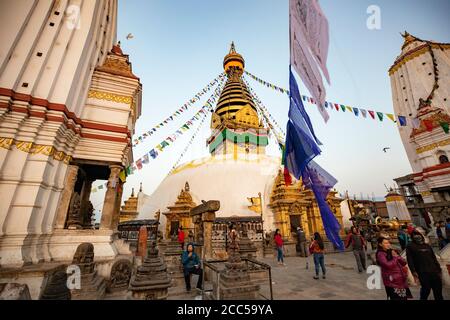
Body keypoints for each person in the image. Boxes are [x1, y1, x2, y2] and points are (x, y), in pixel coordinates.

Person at [406, 230, 443, 300]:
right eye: (414, 235)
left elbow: (433, 258)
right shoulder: (410, 246)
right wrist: (413, 271)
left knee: (438, 291)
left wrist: (438, 268)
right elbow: (410, 260)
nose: (416, 236)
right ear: (412, 237)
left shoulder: (427, 245)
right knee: (426, 290)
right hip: (422, 272)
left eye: (417, 234)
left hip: (434, 271)